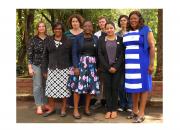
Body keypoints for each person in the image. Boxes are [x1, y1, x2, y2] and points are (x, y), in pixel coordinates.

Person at [123, 11, 155, 123]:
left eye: (135, 18)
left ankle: (141, 113)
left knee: (144, 87)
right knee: (133, 87)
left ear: (139, 19)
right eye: (131, 19)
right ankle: (135, 111)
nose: (133, 20)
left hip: (142, 62)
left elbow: (152, 47)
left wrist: (151, 64)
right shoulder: (127, 32)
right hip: (130, 64)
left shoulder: (146, 29)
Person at [68, 20, 100, 119]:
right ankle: (76, 110)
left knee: (89, 88)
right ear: (83, 27)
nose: (87, 28)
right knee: (78, 88)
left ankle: (86, 108)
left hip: (92, 66)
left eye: (89, 26)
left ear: (92, 27)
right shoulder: (78, 38)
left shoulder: (96, 38)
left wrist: (98, 67)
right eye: (85, 26)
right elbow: (74, 53)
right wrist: (76, 67)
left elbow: (98, 53)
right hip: (80, 64)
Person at [42, 22, 72, 117]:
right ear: (53, 30)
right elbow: (45, 56)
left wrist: (71, 69)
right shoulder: (48, 40)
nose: (57, 30)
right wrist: (44, 70)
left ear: (62, 30)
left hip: (64, 69)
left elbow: (71, 56)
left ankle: (63, 108)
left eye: (59, 28)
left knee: (64, 90)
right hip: (52, 68)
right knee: (50, 89)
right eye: (56, 28)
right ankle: (52, 108)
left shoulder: (68, 40)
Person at [98, 21, 124, 119]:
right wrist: (108, 67)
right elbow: (100, 55)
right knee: (107, 89)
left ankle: (114, 109)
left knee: (115, 88)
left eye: (111, 28)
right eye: (107, 28)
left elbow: (122, 54)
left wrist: (115, 67)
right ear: (105, 29)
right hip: (106, 69)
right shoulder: (101, 40)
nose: (109, 30)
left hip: (117, 68)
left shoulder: (120, 39)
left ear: (114, 29)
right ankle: (108, 110)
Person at [27, 21, 49, 115]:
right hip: (36, 65)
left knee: (46, 85)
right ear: (37, 28)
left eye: (43, 26)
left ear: (45, 28)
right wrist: (30, 68)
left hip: (48, 66)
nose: (41, 28)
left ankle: (45, 104)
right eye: (39, 26)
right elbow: (29, 55)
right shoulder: (33, 39)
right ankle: (39, 106)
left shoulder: (49, 39)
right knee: (38, 86)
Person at [65, 14, 85, 108]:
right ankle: (71, 103)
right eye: (73, 21)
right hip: (69, 60)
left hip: (83, 61)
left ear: (80, 22)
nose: (75, 23)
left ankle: (81, 103)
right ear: (71, 23)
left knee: (82, 81)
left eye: (76, 21)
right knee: (72, 81)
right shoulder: (67, 34)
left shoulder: (84, 32)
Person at [116, 15, 132, 112]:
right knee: (121, 84)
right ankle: (122, 104)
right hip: (120, 62)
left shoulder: (131, 33)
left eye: (124, 20)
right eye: (121, 20)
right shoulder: (117, 34)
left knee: (129, 83)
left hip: (130, 60)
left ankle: (130, 105)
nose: (123, 22)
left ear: (127, 21)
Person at [91, 16, 107, 109]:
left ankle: (107, 100)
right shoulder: (96, 35)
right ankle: (98, 100)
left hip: (109, 62)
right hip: (98, 61)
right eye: (100, 22)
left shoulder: (111, 32)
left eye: (103, 22)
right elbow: (95, 49)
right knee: (99, 82)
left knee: (108, 82)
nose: (101, 23)